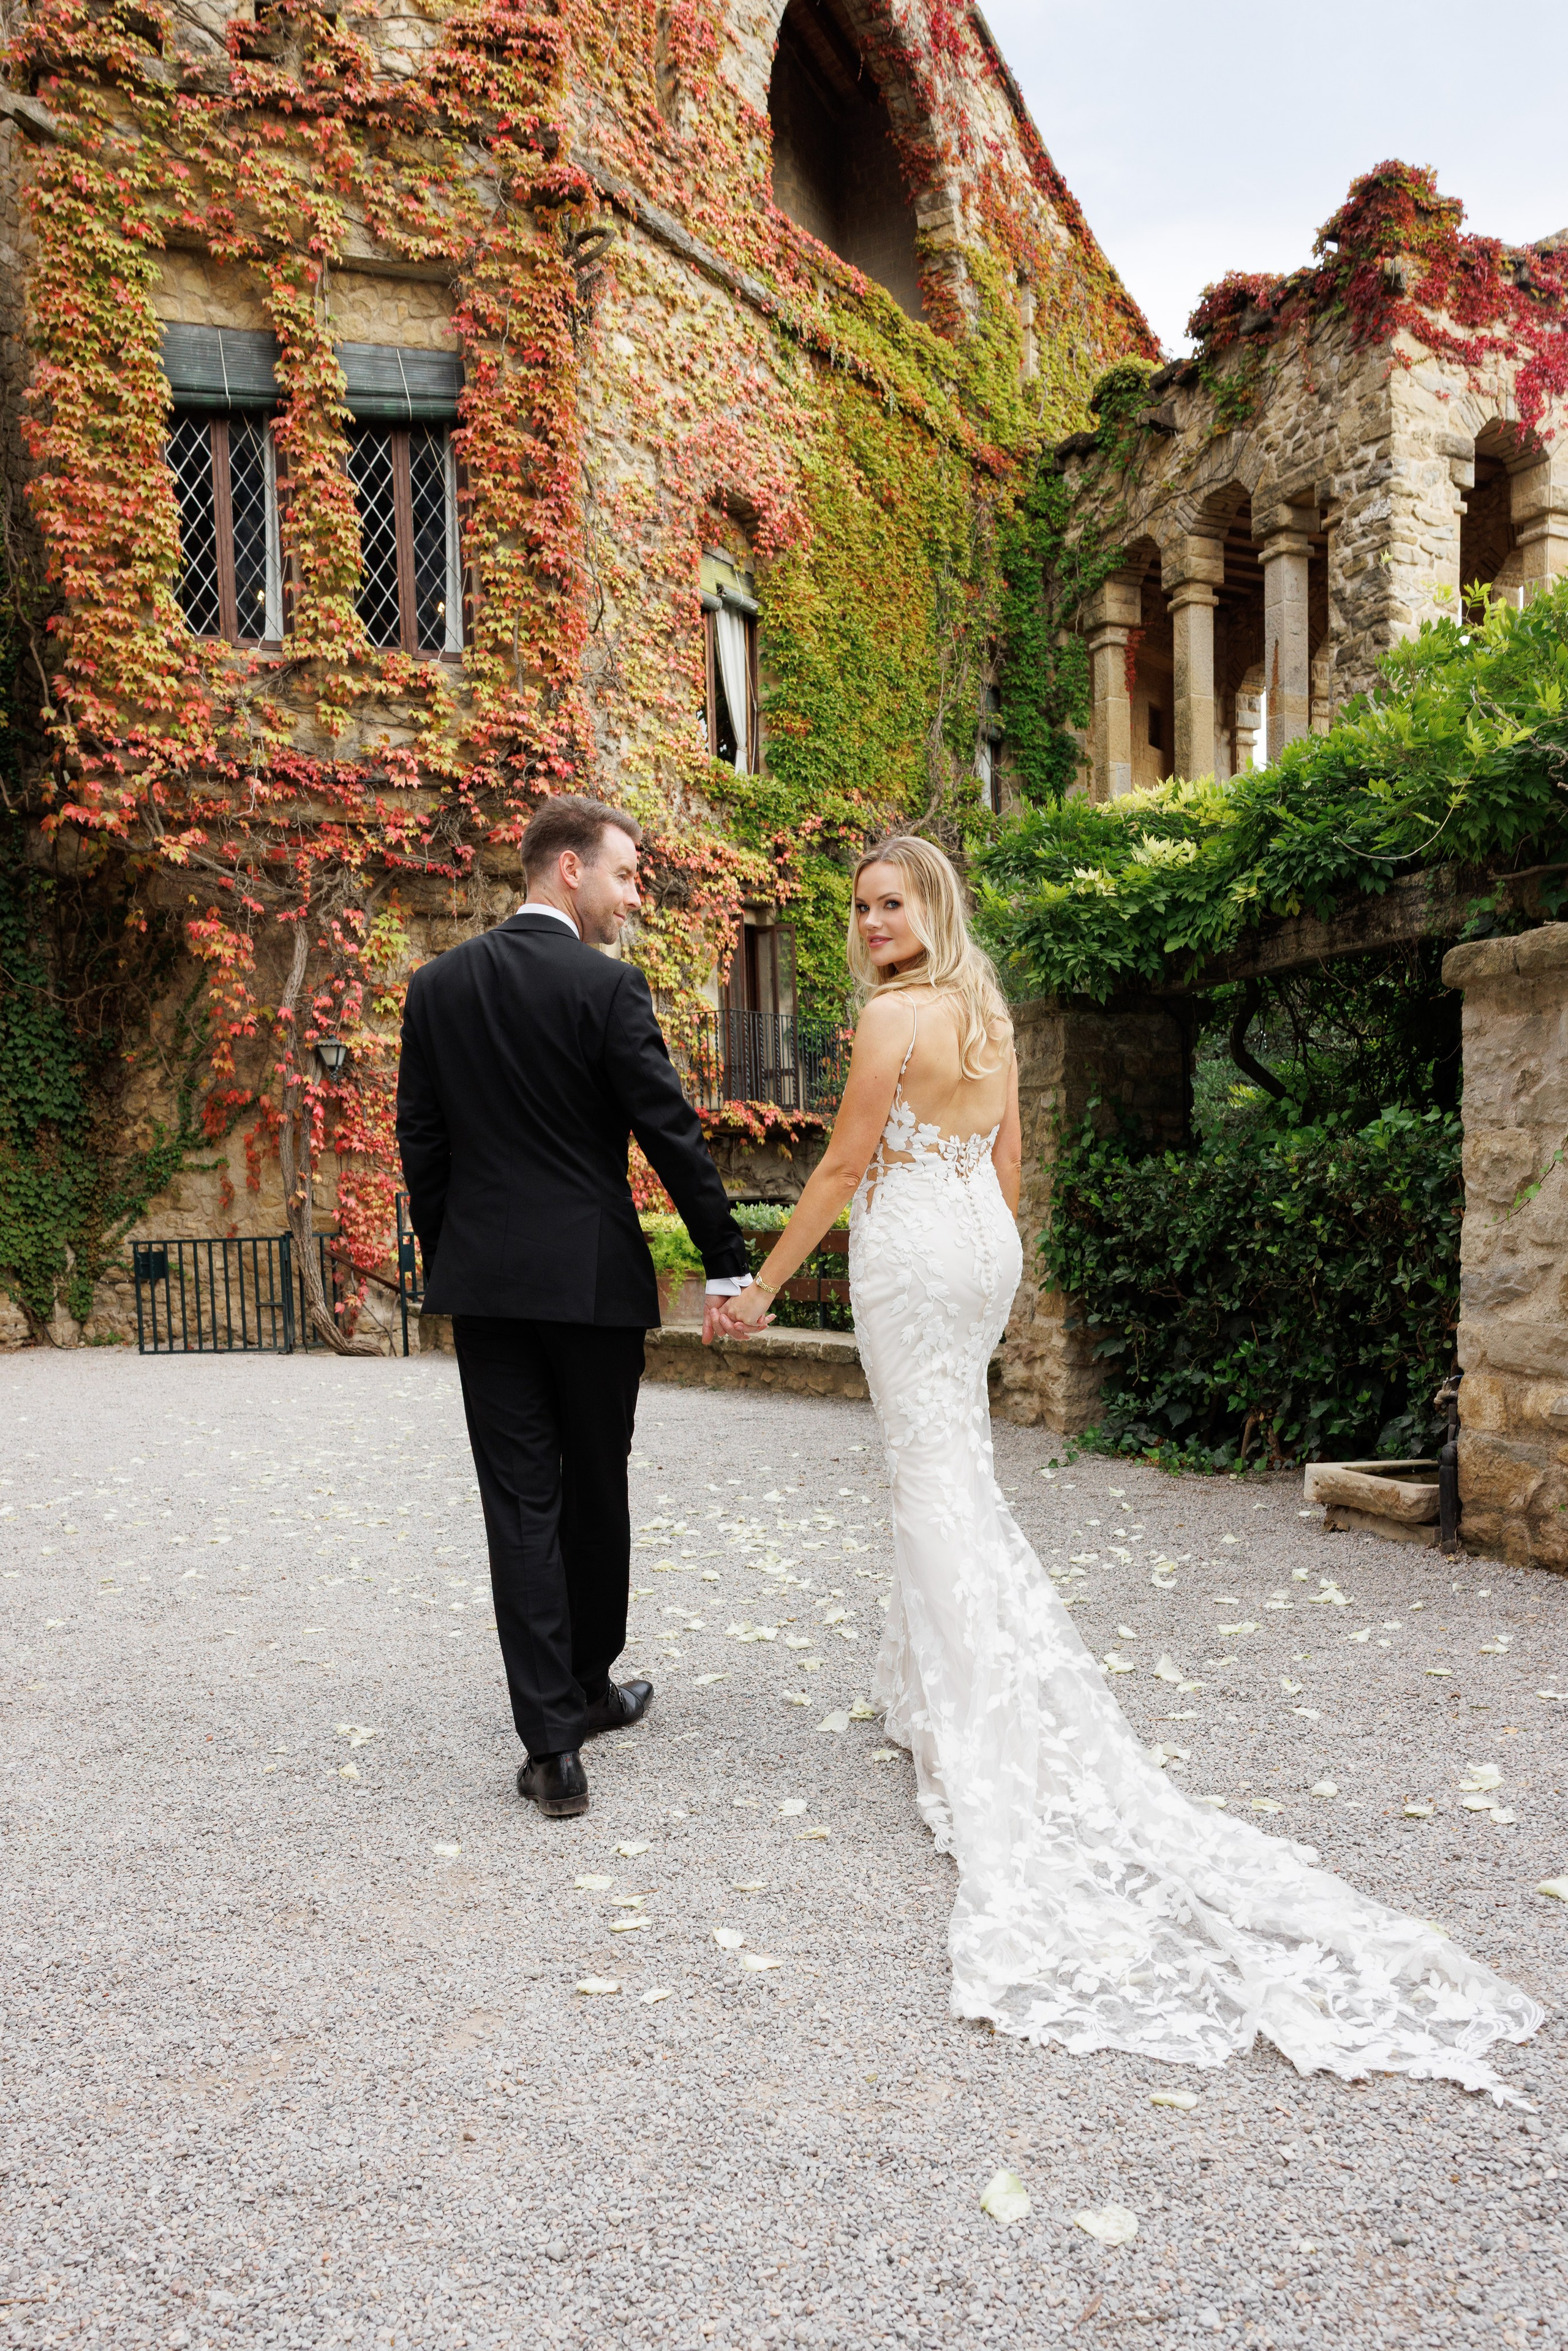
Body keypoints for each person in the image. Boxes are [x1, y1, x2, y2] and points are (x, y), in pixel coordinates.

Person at [717, 832, 1540, 2098]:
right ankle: (931, 1684)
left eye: (891, 902)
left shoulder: (894, 1017)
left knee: (927, 1474)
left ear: (928, 908)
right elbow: (1006, 1162)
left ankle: (969, 1707)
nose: (872, 920)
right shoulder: (981, 1009)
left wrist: (762, 1290)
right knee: (950, 1466)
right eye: (862, 905)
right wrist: (995, 1260)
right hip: (975, 1250)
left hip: (910, 1256)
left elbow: (837, 1166)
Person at [396, 794, 752, 1820]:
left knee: (521, 1506)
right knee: (596, 1489)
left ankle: (554, 1744)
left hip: (490, 1290)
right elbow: (668, 1132)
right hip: (593, 1286)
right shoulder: (607, 987)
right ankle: (588, 1683)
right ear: (567, 871)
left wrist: (452, 1250)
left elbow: (423, 1142)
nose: (633, 894)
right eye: (625, 873)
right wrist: (725, 1261)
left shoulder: (437, 987)